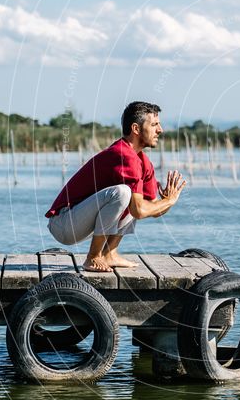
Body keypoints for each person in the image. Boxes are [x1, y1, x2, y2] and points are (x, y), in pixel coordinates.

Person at [45, 101, 186, 272]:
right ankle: (93, 257)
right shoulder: (124, 155)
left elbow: (151, 209)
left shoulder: (143, 162)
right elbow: (140, 211)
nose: (160, 130)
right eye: (154, 124)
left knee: (133, 197)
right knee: (123, 193)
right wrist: (169, 201)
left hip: (80, 222)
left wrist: (166, 201)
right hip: (64, 223)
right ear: (136, 128)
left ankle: (109, 254)